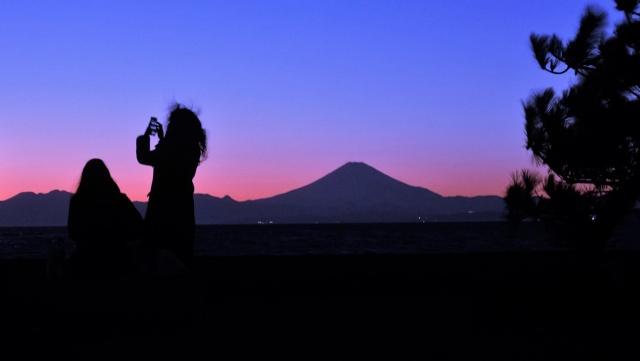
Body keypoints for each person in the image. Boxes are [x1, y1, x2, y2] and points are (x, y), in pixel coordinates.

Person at [136, 103, 207, 267]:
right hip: (183, 208)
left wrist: (148, 135)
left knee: (158, 257)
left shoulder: (168, 149)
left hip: (162, 210)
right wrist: (163, 140)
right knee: (180, 256)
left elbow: (145, 157)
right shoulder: (191, 149)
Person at [67, 158, 144, 277]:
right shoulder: (120, 200)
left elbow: (73, 232)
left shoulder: (78, 202)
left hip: (85, 262)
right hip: (118, 261)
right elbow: (139, 228)